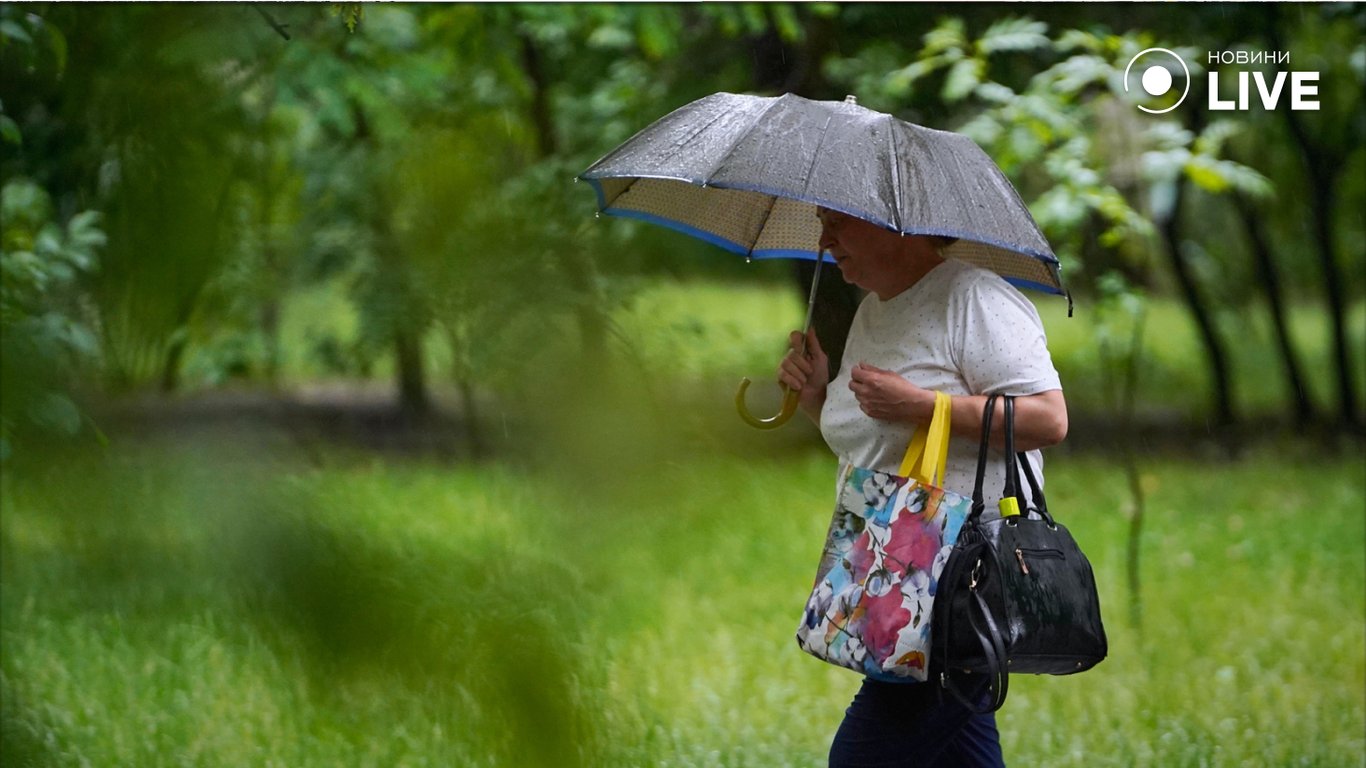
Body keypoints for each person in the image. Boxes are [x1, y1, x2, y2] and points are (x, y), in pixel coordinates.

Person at [778, 207, 1068, 767]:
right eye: (822, 221)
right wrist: (818, 397)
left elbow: (1049, 419)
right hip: (900, 578)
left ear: (898, 223)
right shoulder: (873, 311)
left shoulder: (974, 300)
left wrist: (925, 407)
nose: (824, 237)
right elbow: (876, 448)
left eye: (839, 220)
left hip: (961, 582)